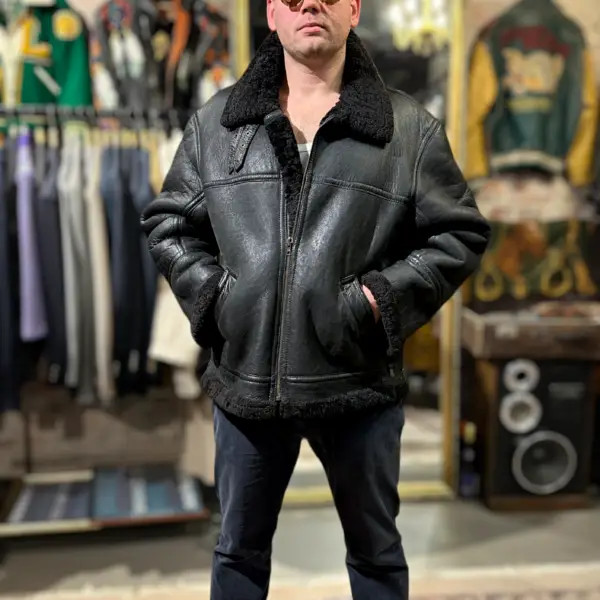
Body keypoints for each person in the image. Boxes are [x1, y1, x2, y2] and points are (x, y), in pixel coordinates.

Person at [141, 0, 490, 598]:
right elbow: (169, 224)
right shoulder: (218, 123)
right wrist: (220, 297)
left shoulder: (408, 128)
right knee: (238, 554)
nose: (310, 3)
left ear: (353, 9)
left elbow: (459, 233)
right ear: (271, 11)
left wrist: (377, 300)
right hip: (247, 385)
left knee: (376, 557)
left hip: (357, 383)